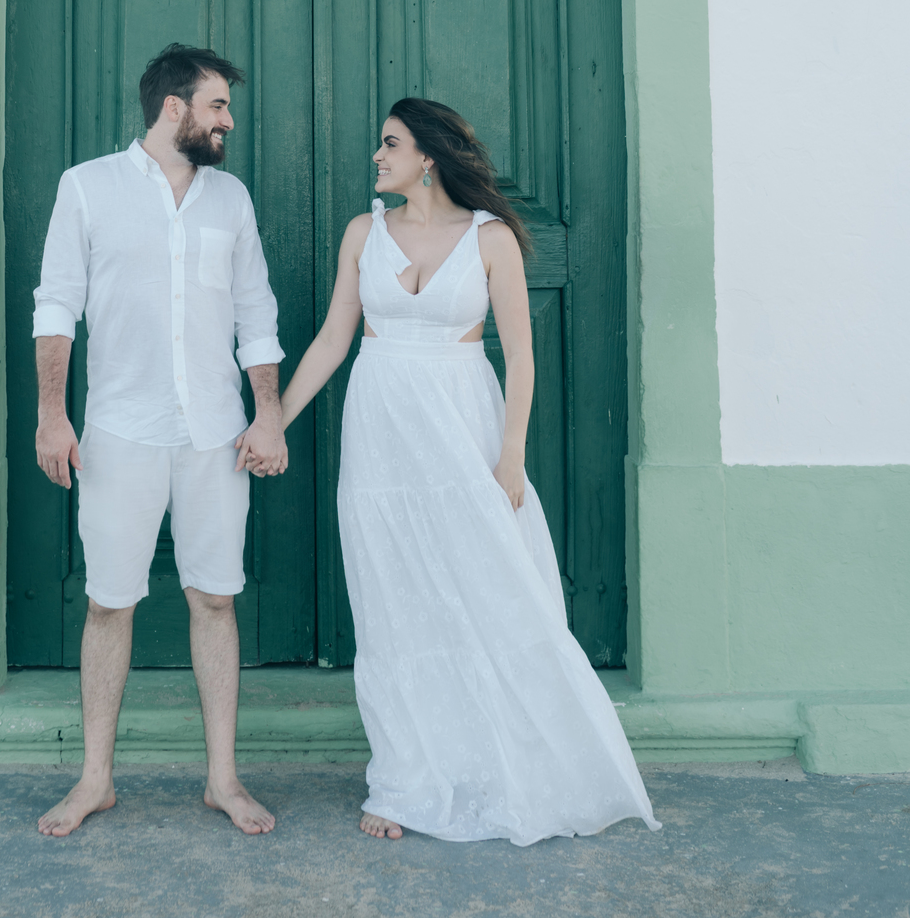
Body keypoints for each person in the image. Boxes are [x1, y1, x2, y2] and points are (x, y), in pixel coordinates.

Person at [279, 97, 659, 846]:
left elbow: (519, 355)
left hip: (465, 428)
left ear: (429, 156)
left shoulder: (492, 239)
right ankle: (404, 779)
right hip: (382, 431)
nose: (378, 157)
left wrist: (510, 454)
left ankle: (507, 766)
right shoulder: (365, 232)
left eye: (391, 144)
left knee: (493, 588)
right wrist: (273, 420)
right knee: (393, 601)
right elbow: (331, 339)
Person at [32, 43, 288, 839]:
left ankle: (222, 780)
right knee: (110, 603)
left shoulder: (231, 199)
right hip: (119, 431)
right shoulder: (88, 189)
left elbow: (258, 312)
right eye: (217, 106)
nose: (228, 121)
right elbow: (56, 306)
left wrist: (268, 411)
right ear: (174, 107)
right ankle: (95, 780)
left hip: (215, 434)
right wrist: (52, 414)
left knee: (215, 599)